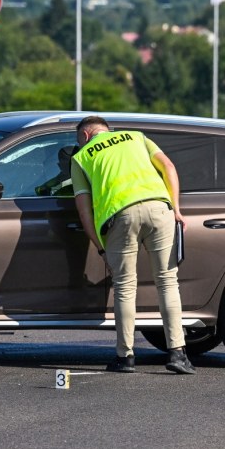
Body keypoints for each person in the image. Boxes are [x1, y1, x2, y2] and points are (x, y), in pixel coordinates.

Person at [70, 115, 194, 374]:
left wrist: (100, 246)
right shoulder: (136, 137)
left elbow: (84, 212)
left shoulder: (81, 157)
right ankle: (178, 354)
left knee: (125, 287)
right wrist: (177, 210)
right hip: (159, 208)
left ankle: (125, 357)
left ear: (85, 136)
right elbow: (168, 167)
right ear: (106, 131)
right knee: (168, 281)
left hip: (120, 216)